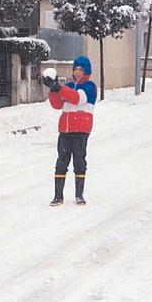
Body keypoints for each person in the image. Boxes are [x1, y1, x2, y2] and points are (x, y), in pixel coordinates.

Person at [41, 56, 97, 207]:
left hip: (81, 130)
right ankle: (58, 196)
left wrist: (59, 88)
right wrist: (53, 90)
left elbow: (77, 98)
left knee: (79, 161)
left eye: (81, 69)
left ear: (87, 71)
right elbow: (57, 104)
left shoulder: (90, 87)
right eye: (75, 69)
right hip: (65, 130)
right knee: (61, 162)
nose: (77, 72)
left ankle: (79, 195)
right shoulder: (68, 86)